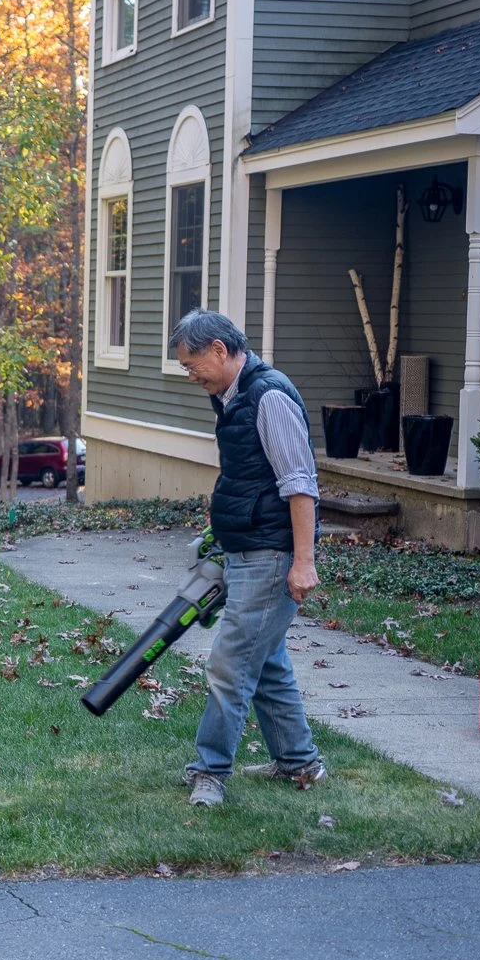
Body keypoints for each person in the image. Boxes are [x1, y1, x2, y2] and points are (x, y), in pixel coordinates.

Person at [168, 309, 324, 808]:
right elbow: (248, 479)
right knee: (267, 662)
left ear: (219, 349)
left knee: (230, 666)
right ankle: (301, 763)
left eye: (193, 366)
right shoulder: (234, 397)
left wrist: (304, 561)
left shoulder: (268, 396)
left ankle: (210, 771)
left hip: (271, 555)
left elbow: (299, 484)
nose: (191, 376)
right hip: (246, 548)